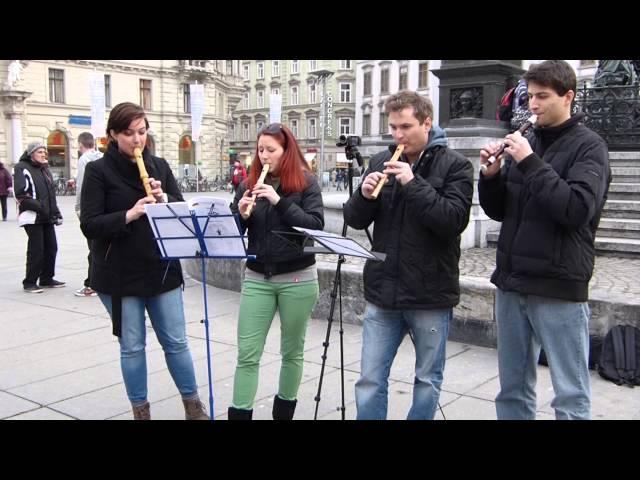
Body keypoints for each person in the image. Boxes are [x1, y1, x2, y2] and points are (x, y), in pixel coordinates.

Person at [478, 60, 611, 420]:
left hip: (558, 286)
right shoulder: (529, 140)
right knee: (512, 389)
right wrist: (491, 176)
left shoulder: (590, 147)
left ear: (568, 96)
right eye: (530, 96)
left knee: (569, 393)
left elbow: (576, 210)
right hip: (512, 281)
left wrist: (531, 162)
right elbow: (501, 212)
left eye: (542, 97)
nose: (532, 105)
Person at [343, 90, 474, 420]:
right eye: (393, 128)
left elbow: (452, 221)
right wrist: (365, 195)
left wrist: (413, 183)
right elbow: (354, 219)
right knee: (370, 379)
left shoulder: (455, 165)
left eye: (406, 127)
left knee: (427, 380)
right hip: (383, 289)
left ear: (427, 123)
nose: (398, 135)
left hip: (430, 292)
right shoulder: (379, 161)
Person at [80, 102, 209, 420]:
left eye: (142, 132)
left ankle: (193, 406)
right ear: (113, 134)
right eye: (128, 134)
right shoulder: (98, 171)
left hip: (160, 266)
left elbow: (181, 210)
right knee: (133, 346)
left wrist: (164, 198)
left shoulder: (160, 166)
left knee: (176, 342)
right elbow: (90, 223)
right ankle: (141, 410)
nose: (137, 140)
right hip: (118, 274)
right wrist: (131, 213)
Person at [228, 123, 324, 420]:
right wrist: (240, 215)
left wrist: (279, 201)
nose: (265, 156)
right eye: (261, 150)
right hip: (258, 276)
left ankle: (283, 413)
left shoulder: (307, 183)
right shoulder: (247, 184)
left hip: (297, 277)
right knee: (247, 353)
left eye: (272, 150)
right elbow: (230, 233)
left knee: (292, 351)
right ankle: (240, 414)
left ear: (287, 151)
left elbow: (315, 226)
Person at [13, 141, 65, 293]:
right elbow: (21, 193)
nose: (43, 155)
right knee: (37, 249)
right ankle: (29, 282)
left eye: (44, 152)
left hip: (47, 216)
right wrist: (40, 207)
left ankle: (46, 278)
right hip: (32, 216)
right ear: (31, 153)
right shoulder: (22, 167)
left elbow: (51, 195)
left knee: (51, 248)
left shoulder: (45, 169)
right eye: (40, 152)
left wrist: (55, 212)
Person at [74, 132, 103, 297]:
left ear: (80, 145)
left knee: (93, 248)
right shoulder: (102, 156)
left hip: (90, 209)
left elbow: (82, 186)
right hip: (104, 209)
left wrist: (79, 208)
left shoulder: (84, 159)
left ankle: (92, 284)